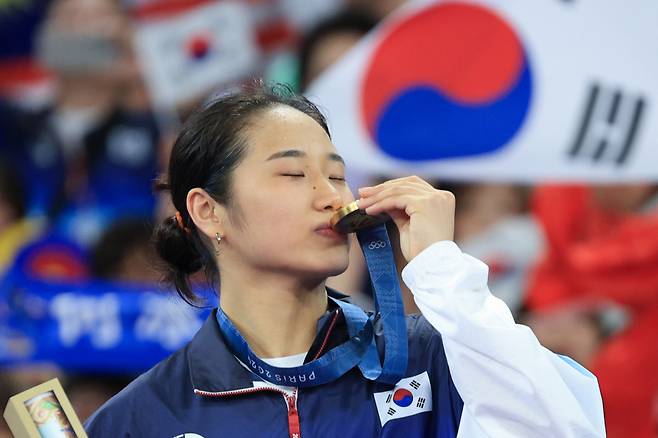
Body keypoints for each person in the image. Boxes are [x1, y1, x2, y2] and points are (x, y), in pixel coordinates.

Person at [84, 85, 605, 437]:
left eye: (336, 175)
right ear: (207, 211)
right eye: (293, 175)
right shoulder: (139, 419)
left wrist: (442, 269)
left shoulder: (438, 358)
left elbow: (563, 426)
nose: (330, 196)